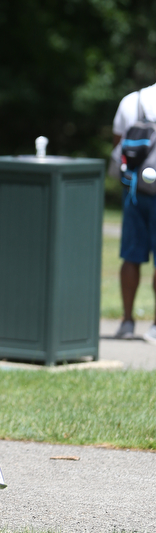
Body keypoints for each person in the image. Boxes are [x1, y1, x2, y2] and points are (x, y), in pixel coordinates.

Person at [112, 82, 156, 343]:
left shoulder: (132, 101)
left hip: (133, 191)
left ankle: (127, 322)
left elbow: (119, 146)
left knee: (131, 257)